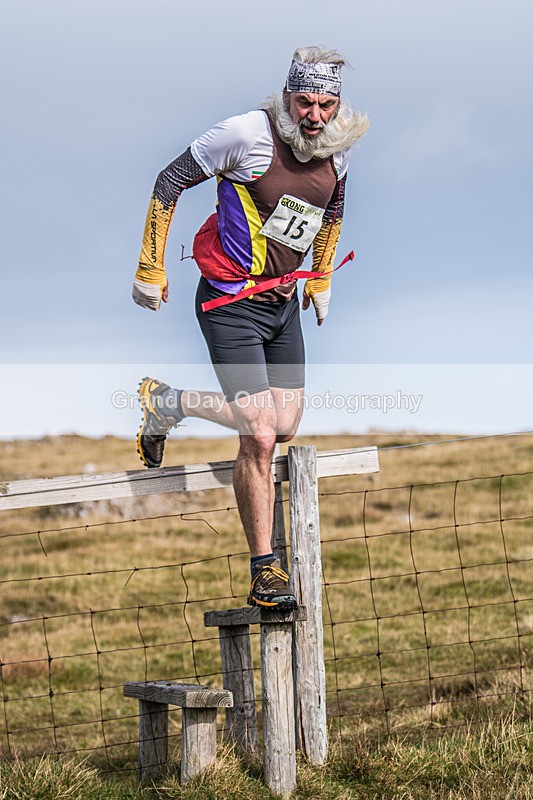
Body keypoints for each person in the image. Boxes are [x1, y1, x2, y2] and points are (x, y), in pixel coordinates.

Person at [132, 46, 369, 609]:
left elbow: (332, 212)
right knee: (259, 435)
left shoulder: (338, 150)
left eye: (326, 105)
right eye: (305, 102)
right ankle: (265, 569)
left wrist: (319, 282)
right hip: (230, 301)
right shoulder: (244, 134)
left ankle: (171, 404)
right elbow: (169, 181)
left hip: (282, 302)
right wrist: (151, 265)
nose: (315, 115)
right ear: (287, 96)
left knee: (283, 426)